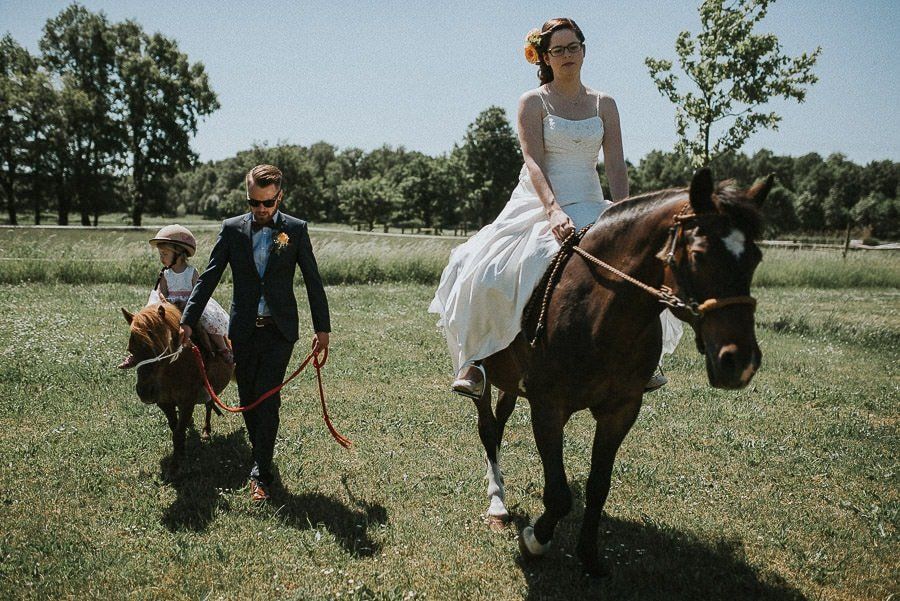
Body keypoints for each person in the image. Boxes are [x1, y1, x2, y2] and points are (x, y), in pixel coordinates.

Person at [429, 17, 682, 399]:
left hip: (593, 201)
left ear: (584, 50)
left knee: (636, 270)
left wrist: (627, 218)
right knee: (488, 268)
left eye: (573, 47)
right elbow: (534, 162)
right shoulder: (533, 102)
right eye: (558, 50)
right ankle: (477, 360)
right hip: (539, 200)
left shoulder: (605, 104)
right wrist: (553, 211)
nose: (567, 55)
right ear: (545, 57)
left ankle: (640, 359)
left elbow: (615, 165)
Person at [179, 164, 331, 502]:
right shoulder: (232, 230)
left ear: (280, 197)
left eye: (268, 203)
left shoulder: (296, 230)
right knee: (248, 398)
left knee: (267, 396)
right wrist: (188, 320)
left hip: (280, 330)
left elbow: (312, 281)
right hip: (244, 329)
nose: (261, 210)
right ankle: (261, 458)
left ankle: (261, 470)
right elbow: (210, 276)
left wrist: (323, 328)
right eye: (254, 203)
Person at [117, 225, 231, 368]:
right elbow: (163, 294)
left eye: (165, 254)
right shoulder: (165, 274)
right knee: (146, 324)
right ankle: (137, 354)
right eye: (160, 254)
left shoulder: (191, 272)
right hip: (170, 307)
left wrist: (188, 304)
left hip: (189, 305)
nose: (161, 258)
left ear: (178, 253)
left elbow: (199, 291)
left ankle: (223, 348)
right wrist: (168, 304)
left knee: (210, 323)